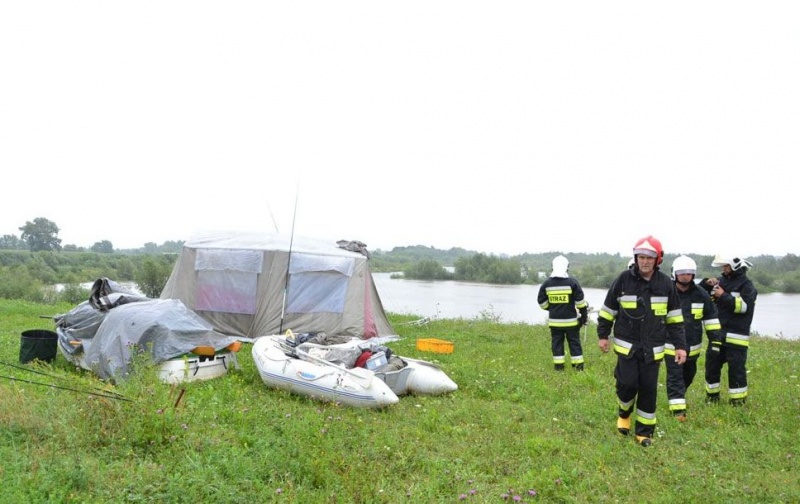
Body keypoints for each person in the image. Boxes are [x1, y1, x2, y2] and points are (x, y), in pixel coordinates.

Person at [597, 236, 687, 447]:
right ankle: (624, 412)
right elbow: (608, 309)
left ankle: (644, 432)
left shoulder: (666, 284)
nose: (644, 262)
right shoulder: (623, 280)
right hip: (626, 347)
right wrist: (602, 335)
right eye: (641, 257)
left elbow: (675, 318)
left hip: (653, 349)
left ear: (657, 260)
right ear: (636, 258)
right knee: (627, 384)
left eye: (649, 258)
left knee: (648, 389)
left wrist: (680, 346)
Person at [665, 255, 722, 421]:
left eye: (689, 273)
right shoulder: (667, 293)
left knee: (688, 374)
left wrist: (716, 341)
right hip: (672, 345)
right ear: (674, 274)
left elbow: (711, 319)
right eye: (682, 272)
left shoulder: (701, 295)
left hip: (693, 346)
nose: (685, 276)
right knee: (675, 377)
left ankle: (678, 397)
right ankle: (678, 413)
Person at [700, 255, 757, 405]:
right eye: (723, 266)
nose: (723, 269)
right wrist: (707, 283)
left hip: (736, 337)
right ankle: (712, 399)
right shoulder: (721, 281)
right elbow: (700, 295)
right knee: (711, 367)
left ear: (735, 266)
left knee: (736, 371)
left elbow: (744, 307)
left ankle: (738, 403)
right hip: (718, 335)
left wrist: (723, 295)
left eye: (726, 266)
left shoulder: (747, 286)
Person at [537, 255, 589, 371]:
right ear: (567, 267)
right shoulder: (572, 283)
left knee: (557, 344)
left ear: (553, 267)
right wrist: (584, 317)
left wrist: (553, 308)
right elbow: (580, 303)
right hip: (571, 323)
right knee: (574, 343)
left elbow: (541, 303)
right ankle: (578, 367)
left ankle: (559, 367)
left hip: (555, 323)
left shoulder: (547, 284)